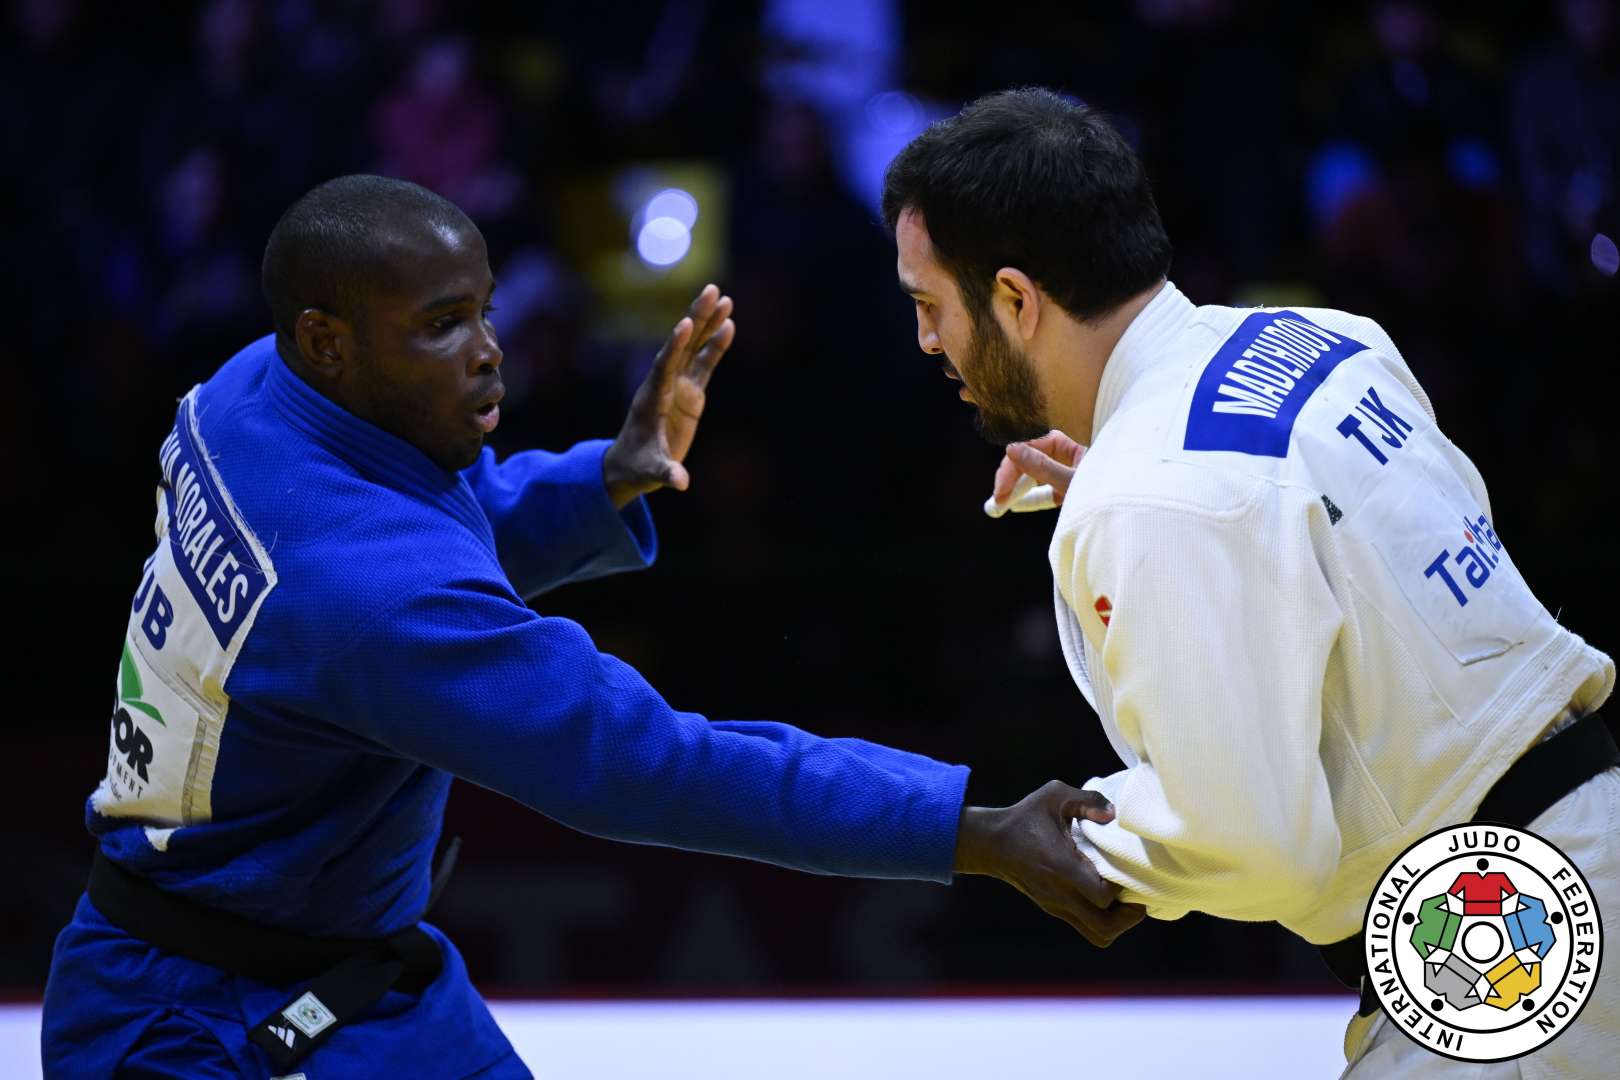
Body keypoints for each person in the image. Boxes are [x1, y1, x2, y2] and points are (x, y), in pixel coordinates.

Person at [42, 174, 1140, 1079]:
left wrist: (602, 478)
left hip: (349, 977)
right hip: (197, 1025)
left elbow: (423, 533)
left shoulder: (246, 397)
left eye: (484, 309)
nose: (489, 351)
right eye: (440, 327)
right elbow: (650, 764)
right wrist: (971, 831)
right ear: (327, 342)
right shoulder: (368, 600)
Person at [882, 89, 1617, 1077]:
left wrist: (1064, 842)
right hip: (1581, 858)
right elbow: (1320, 541)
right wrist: (1123, 479)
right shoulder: (1322, 337)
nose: (928, 341)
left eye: (930, 305)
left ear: (1015, 300)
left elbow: (1258, 847)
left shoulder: (1153, 493)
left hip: (1505, 935)